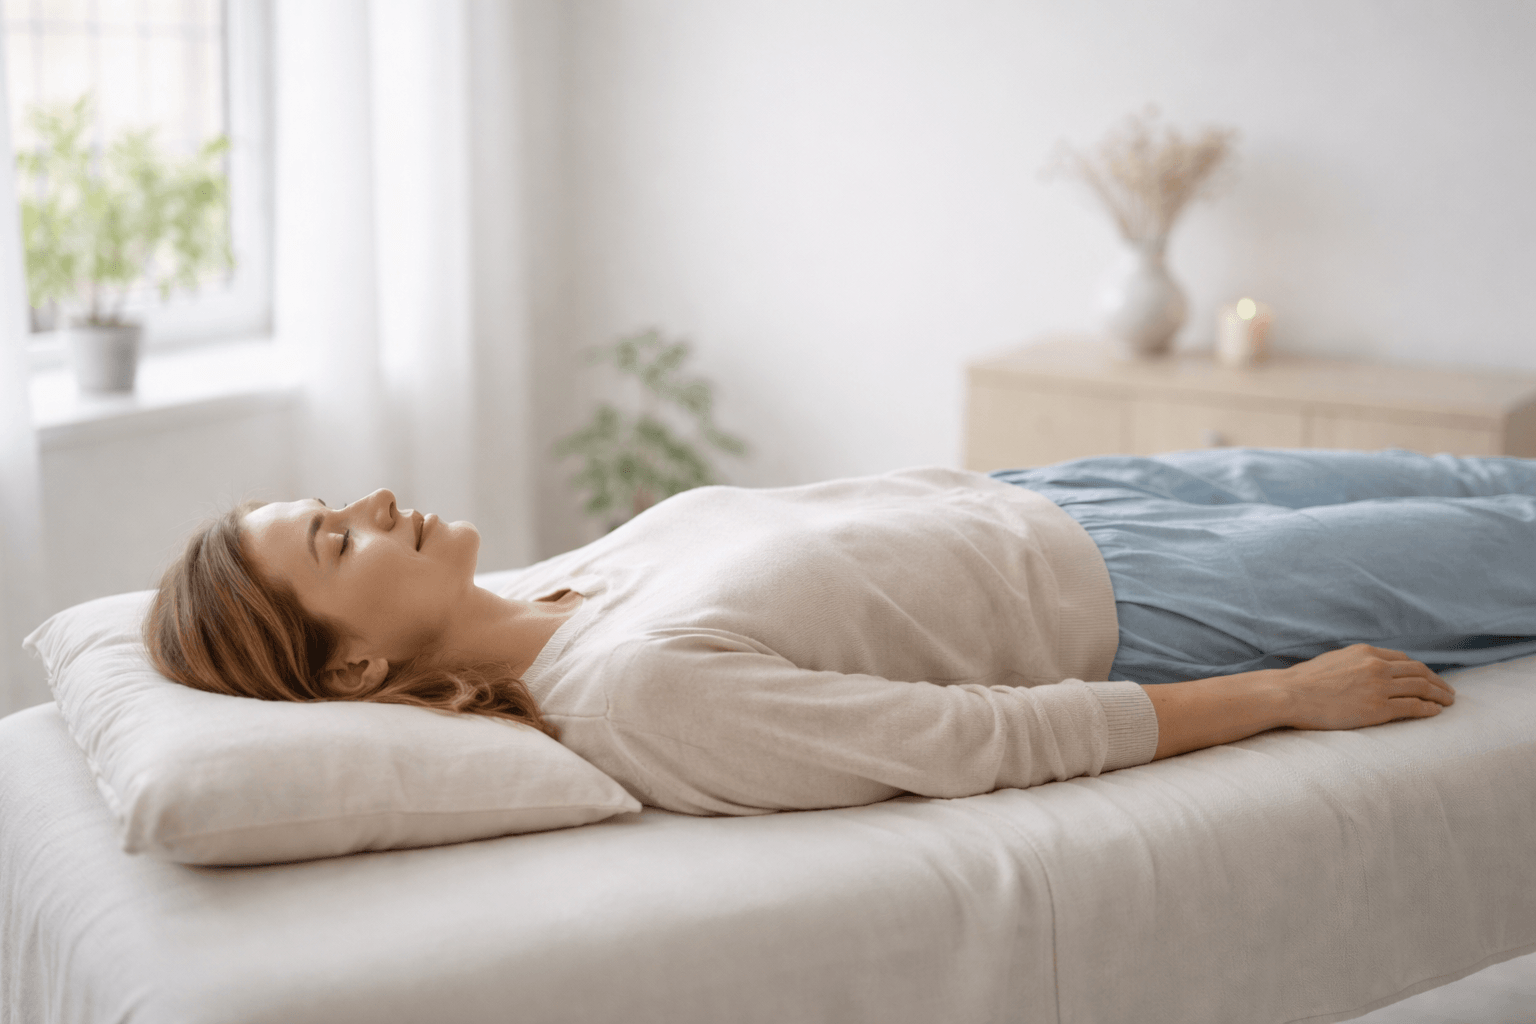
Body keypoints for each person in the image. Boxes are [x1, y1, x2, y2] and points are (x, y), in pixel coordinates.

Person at [146, 448, 1536, 817]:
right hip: (1156, 604)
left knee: (1491, 484)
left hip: (1070, 498)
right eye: (337, 539)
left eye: (333, 503)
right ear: (358, 669)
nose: (373, 500)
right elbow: (975, 742)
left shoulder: (573, 581)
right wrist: (1284, 697)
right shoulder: (634, 696)